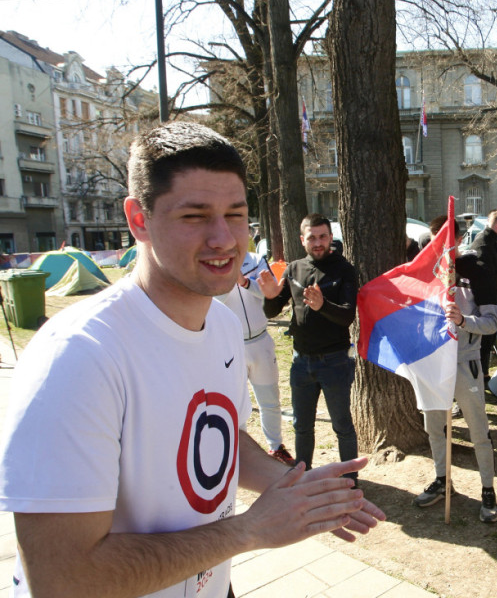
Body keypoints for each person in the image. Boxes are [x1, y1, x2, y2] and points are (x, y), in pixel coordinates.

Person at [0, 121, 384, 597]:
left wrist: (294, 486)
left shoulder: (222, 327)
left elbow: (221, 438)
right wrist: (249, 530)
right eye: (195, 215)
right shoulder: (78, 356)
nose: (224, 238)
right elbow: (62, 580)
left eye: (236, 214)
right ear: (139, 219)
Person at [413, 216, 497, 523]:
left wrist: (464, 320)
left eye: (449, 237)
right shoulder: (423, 270)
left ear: (460, 238)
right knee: (434, 427)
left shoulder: (476, 271)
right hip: (432, 364)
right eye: (438, 237)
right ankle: (442, 480)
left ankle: (488, 489)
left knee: (478, 429)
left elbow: (492, 324)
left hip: (466, 361)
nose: (444, 243)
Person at [261, 214, 360, 482]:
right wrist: (269, 297)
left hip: (335, 361)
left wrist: (322, 306)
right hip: (301, 362)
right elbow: (273, 309)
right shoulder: (294, 269)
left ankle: (350, 481)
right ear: (302, 239)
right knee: (301, 426)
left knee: (342, 426)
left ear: (330, 237)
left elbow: (348, 316)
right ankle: (302, 479)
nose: (318, 242)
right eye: (312, 237)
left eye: (323, 236)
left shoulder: (344, 269)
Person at [216, 251, 294, 465]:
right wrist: (228, 280)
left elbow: (271, 293)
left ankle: (276, 446)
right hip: (231, 344)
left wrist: (243, 281)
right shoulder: (213, 259)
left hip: (261, 339)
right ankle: (236, 452)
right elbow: (213, 299)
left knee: (270, 400)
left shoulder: (255, 259)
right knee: (234, 403)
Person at [469, 209, 497, 388]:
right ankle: (480, 377)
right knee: (483, 342)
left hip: (492, 297)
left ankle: (484, 374)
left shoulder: (492, 241)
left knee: (488, 341)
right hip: (485, 300)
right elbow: (483, 273)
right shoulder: (483, 243)